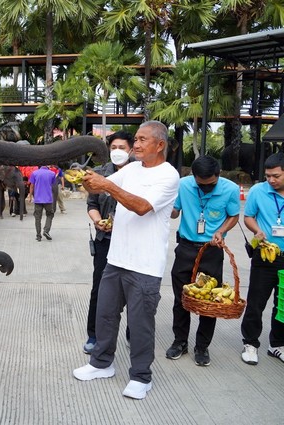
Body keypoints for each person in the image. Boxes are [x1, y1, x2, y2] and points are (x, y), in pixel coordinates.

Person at [72, 121, 179, 400]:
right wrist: (85, 178)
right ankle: (101, 363)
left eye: (144, 140)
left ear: (160, 145)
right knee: (105, 315)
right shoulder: (131, 169)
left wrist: (106, 184)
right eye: (137, 139)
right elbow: (98, 190)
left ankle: (141, 377)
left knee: (141, 323)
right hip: (116, 258)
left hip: (145, 265)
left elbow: (141, 206)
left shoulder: (168, 176)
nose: (138, 144)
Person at [167, 155, 239, 367]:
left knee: (210, 302)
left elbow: (233, 215)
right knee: (182, 299)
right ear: (193, 177)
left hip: (212, 251)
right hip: (186, 248)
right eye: (201, 184)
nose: (206, 188)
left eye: (211, 185)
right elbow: (174, 212)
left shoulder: (231, 189)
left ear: (218, 175)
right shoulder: (183, 184)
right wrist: (163, 207)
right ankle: (180, 342)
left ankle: (202, 346)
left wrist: (221, 231)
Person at [83, 130, 134, 354]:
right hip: (106, 239)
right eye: (113, 148)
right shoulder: (98, 174)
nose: (117, 152)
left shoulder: (140, 174)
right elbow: (92, 204)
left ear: (131, 150)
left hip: (133, 241)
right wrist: (97, 222)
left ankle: (133, 332)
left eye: (122, 148)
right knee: (100, 288)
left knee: (133, 289)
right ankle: (93, 335)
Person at [240, 151, 284, 365]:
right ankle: (250, 343)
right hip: (265, 255)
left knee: (282, 304)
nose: (271, 180)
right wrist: (257, 230)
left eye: (276, 176)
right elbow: (248, 217)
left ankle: (277, 345)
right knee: (257, 301)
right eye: (268, 176)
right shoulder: (259, 191)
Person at [28, 165, 56, 242]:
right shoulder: (52, 173)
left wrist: (30, 196)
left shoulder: (34, 173)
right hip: (48, 199)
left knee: (37, 217)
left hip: (38, 199)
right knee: (50, 214)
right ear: (47, 166)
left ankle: (38, 236)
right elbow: (53, 185)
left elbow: (31, 186)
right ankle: (46, 231)